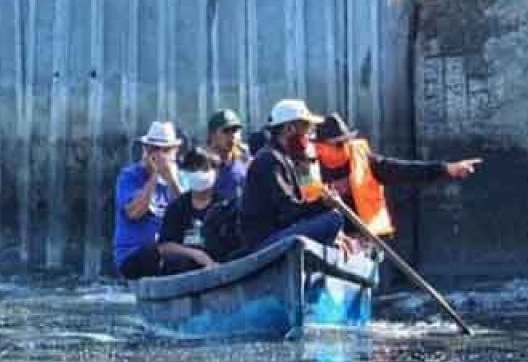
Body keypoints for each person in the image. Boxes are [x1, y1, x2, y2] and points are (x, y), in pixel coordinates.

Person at [312, 112, 482, 236]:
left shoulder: (363, 160)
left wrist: (445, 168)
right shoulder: (307, 165)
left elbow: (403, 170)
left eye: (347, 141)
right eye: (339, 144)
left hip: (361, 235)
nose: (346, 147)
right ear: (321, 145)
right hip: (323, 235)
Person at [240, 99, 345, 250]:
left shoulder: (289, 159)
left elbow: (305, 198)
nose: (309, 135)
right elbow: (288, 211)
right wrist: (324, 204)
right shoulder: (270, 159)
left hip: (277, 233)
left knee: (329, 219)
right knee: (334, 219)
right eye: (306, 129)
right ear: (290, 129)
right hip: (266, 240)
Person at [113, 121, 209, 279]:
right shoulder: (129, 177)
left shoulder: (182, 177)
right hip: (134, 255)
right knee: (157, 255)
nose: (158, 155)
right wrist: (155, 175)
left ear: (175, 152)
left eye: (165, 150)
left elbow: (191, 217)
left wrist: (172, 180)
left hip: (171, 251)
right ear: (145, 150)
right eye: (153, 149)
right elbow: (134, 213)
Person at [156, 147, 222, 265]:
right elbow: (164, 246)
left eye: (204, 168)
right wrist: (196, 254)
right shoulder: (177, 207)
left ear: (216, 172)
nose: (198, 173)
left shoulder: (224, 206)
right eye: (193, 169)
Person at [205, 109, 250, 201]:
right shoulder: (203, 165)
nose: (232, 135)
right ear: (213, 135)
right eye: (226, 131)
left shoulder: (245, 162)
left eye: (235, 130)